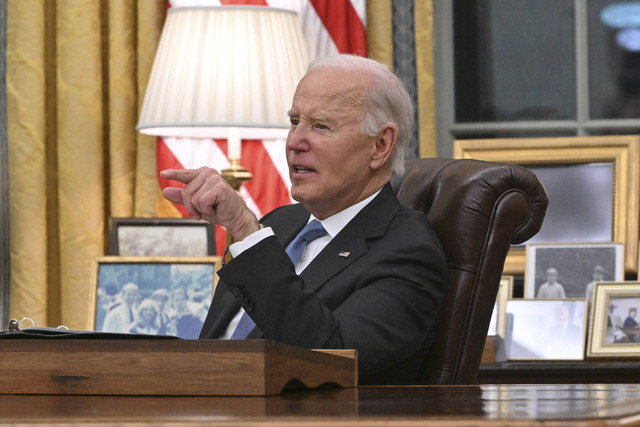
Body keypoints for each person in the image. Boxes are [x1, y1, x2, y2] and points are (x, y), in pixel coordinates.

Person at [160, 54, 448, 384]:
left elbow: (328, 360)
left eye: (321, 126)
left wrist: (244, 228)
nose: (295, 142)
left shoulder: (408, 250)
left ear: (380, 146)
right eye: (295, 121)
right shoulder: (279, 225)